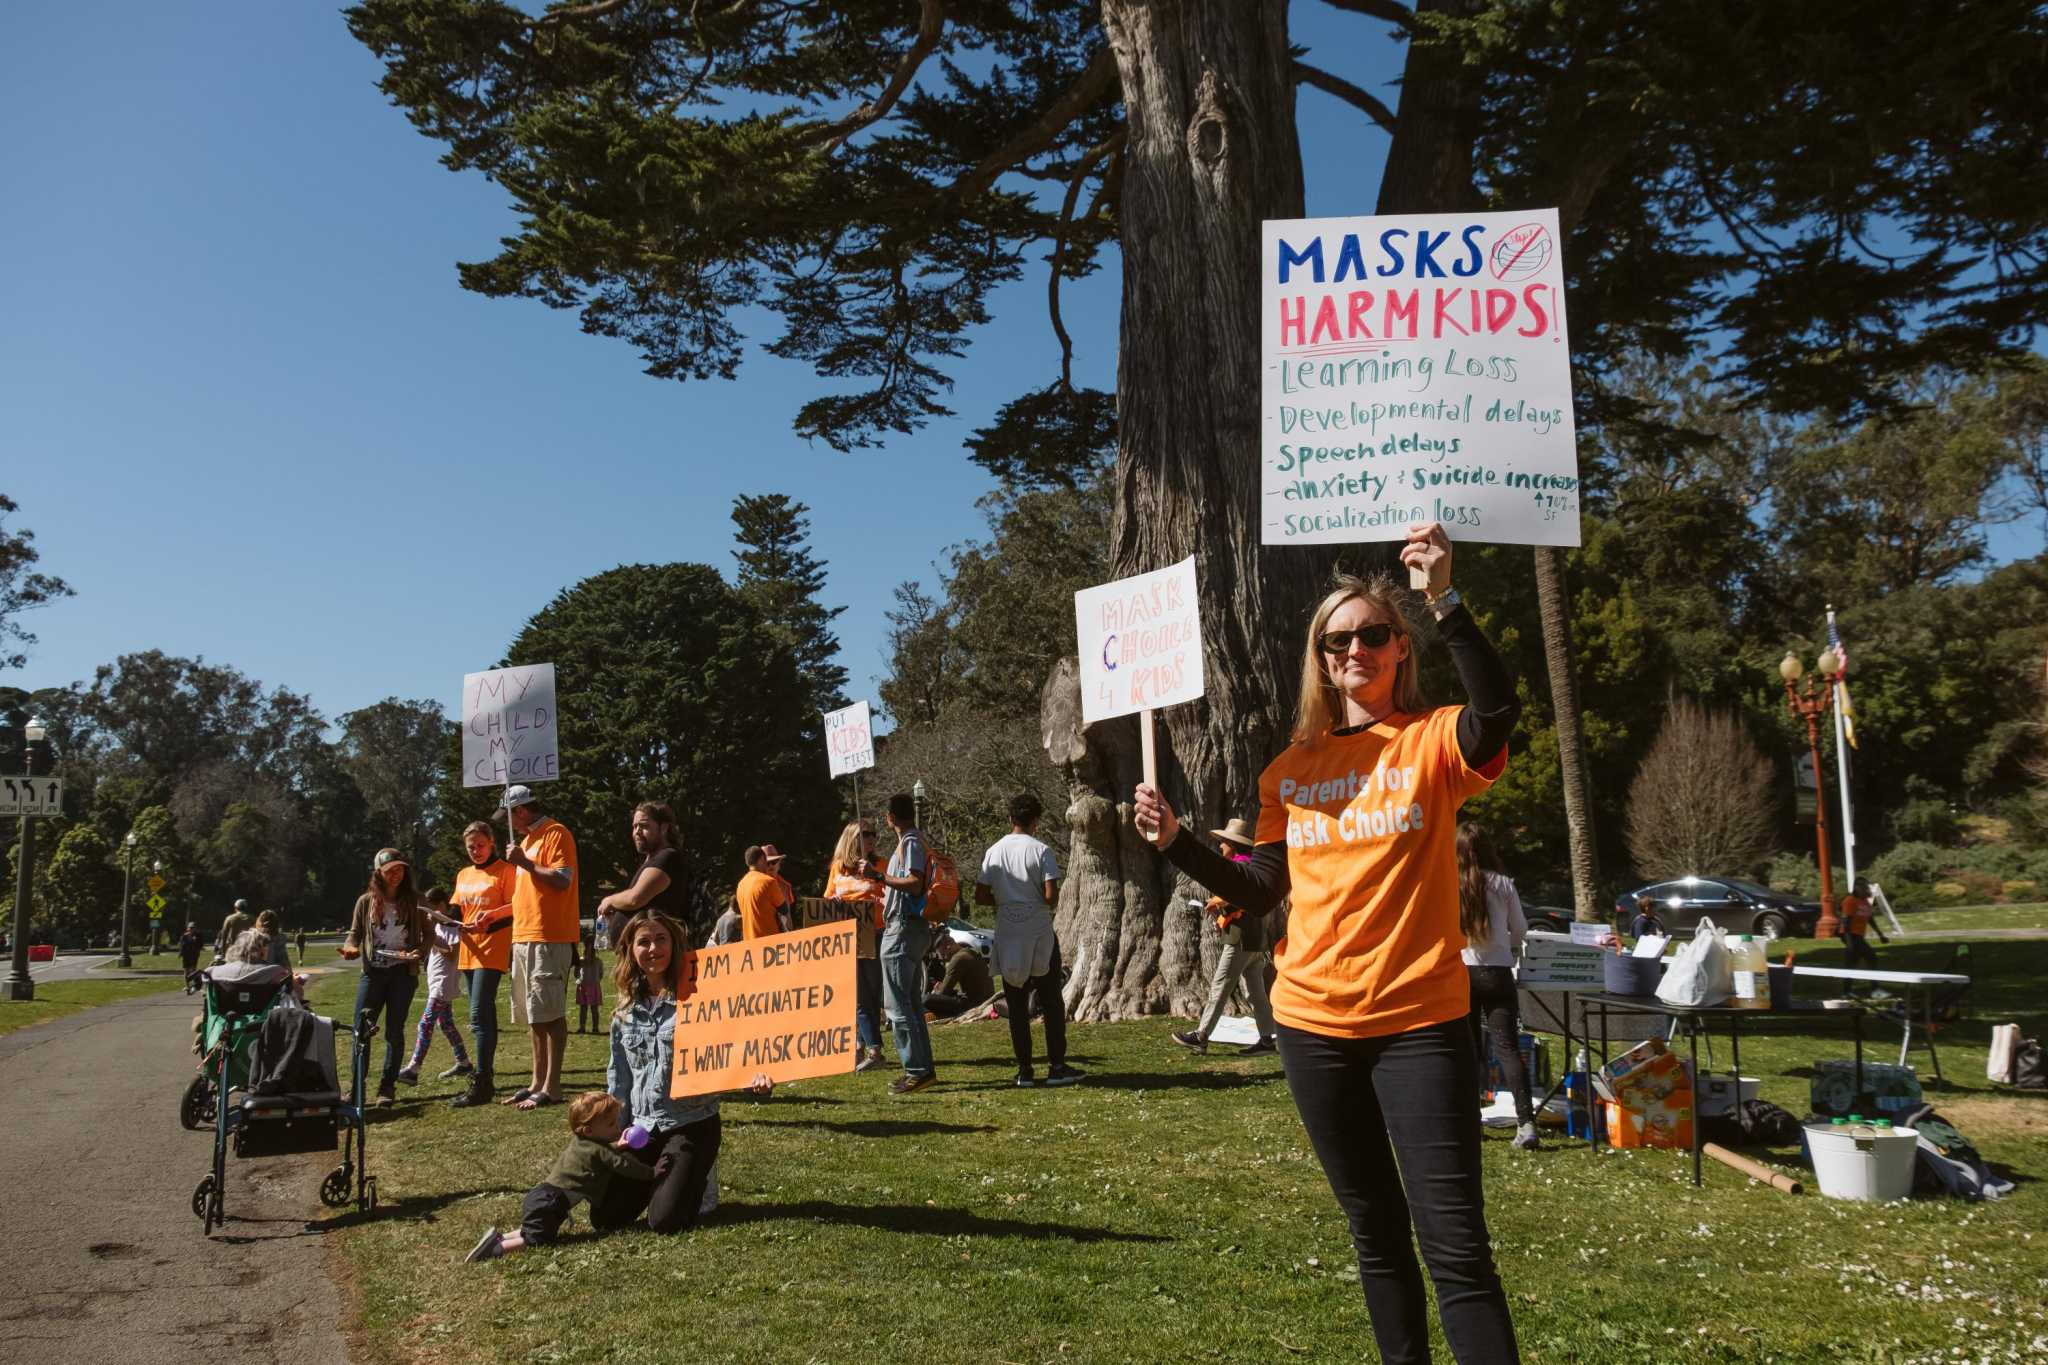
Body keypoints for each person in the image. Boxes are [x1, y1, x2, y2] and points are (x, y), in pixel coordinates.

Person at [1133, 523, 1524, 1364]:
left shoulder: (1434, 741)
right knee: (1376, 1234)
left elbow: (1498, 713)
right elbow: (1262, 885)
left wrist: (1445, 598)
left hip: (1420, 1024)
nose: (1356, 648)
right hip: (1313, 1026)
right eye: (1337, 638)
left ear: (1398, 650)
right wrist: (1178, 845)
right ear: (1319, 657)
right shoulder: (1290, 771)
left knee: (1455, 1249)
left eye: (1373, 634)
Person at [602, 909, 773, 1235]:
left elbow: (734, 1043)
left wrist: (757, 1074)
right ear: (631, 950)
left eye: (660, 939)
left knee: (664, 1220)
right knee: (606, 1217)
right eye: (644, 942)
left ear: (675, 944)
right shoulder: (624, 1013)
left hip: (691, 1122)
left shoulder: (700, 999)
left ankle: (698, 1175)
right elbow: (619, 1079)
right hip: (643, 1127)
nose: (653, 949)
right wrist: (614, 1133)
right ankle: (668, 1176)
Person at [465, 1091, 657, 1262]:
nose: (617, 1128)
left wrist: (618, 1145)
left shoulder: (581, 1142)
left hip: (542, 1195)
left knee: (534, 1229)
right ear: (589, 1131)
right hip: (552, 1202)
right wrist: (652, 1173)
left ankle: (502, 1237)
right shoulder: (600, 1149)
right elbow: (622, 1164)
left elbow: (601, 1154)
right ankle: (496, 1249)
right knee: (537, 1239)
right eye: (611, 1124)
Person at [975, 792, 1082, 1087]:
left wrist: (1006, 898)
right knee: (1050, 1000)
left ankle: (1024, 1069)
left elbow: (981, 894)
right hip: (1037, 928)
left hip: (1008, 929)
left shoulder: (994, 851)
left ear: (1011, 819)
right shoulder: (1041, 850)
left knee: (1016, 1003)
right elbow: (1050, 896)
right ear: (1035, 820)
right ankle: (1057, 1065)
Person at [1458, 822, 1537, 1152]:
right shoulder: (1504, 884)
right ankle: (1526, 1122)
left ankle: (1469, 1122)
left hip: (1461, 972)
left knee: (1467, 1050)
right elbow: (1520, 930)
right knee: (1507, 1047)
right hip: (1499, 972)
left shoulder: (1451, 882)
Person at [1172, 818, 1279, 1057]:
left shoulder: (1240, 867)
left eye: (1223, 843)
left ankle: (1201, 1036)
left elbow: (1233, 892)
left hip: (1240, 939)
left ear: (1234, 845)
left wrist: (1215, 902)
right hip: (1255, 939)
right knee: (1256, 992)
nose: (1220, 847)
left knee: (1220, 986)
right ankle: (1267, 1039)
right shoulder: (1253, 866)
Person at [503, 785, 580, 1112]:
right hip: (525, 936)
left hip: (549, 936)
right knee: (535, 1014)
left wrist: (525, 863)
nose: (507, 822)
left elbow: (563, 879)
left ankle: (553, 1086)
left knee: (551, 1012)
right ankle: (537, 1081)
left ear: (521, 810)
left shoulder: (556, 833)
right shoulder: (526, 841)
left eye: (508, 815)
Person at [338, 849, 432, 1106]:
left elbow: (428, 932)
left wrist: (419, 952)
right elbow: (354, 933)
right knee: (361, 1030)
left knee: (394, 1031)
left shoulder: (415, 899)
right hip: (373, 974)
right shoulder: (366, 901)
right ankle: (357, 1089)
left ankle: (387, 1088)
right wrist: (351, 948)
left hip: (403, 974)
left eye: (400, 869)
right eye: (390, 870)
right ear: (378, 872)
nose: (396, 875)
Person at [449, 821, 517, 1108]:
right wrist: (443, 919)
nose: (475, 851)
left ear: (492, 843)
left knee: (478, 1014)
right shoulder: (464, 874)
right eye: (470, 847)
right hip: (468, 951)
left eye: (480, 845)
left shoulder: (506, 870)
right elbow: (456, 908)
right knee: (480, 1016)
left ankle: (482, 1080)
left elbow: (517, 908)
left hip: (491, 949)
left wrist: (487, 925)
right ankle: (484, 1078)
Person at [876, 793, 938, 1094]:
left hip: (903, 930)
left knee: (898, 1006)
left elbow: (914, 883)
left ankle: (916, 1071)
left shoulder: (911, 842)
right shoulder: (915, 841)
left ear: (890, 817)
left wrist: (880, 878)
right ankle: (923, 1070)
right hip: (910, 929)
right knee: (911, 1005)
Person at [823, 820, 888, 1071]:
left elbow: (889, 894)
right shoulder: (838, 868)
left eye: (873, 834)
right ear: (851, 839)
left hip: (877, 932)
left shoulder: (880, 865)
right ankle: (870, 1049)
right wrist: (834, 899)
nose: (872, 838)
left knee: (872, 992)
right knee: (859, 994)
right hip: (849, 935)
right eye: (865, 834)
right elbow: (827, 897)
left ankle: (864, 1045)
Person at [399, 889, 473, 1087]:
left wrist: (431, 940)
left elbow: (451, 954)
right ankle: (464, 1062)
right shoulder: (437, 925)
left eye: (429, 907)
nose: (427, 912)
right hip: (437, 982)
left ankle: (414, 1068)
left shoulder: (453, 927)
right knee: (446, 1024)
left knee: (426, 1024)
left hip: (444, 983)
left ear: (440, 905)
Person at [596, 802, 693, 946]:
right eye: (635, 826)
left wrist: (609, 901)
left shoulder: (667, 857)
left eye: (644, 826)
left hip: (656, 952)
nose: (637, 831)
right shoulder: (654, 859)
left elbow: (635, 898)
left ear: (664, 828)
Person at [924, 935, 994, 1020]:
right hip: (985, 999)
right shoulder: (969, 952)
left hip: (974, 1004)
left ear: (948, 947)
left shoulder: (958, 958)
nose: (943, 959)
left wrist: (936, 991)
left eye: (942, 954)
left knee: (926, 999)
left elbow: (943, 992)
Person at [736, 846, 788, 942]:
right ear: (761, 860)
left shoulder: (740, 885)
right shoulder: (768, 882)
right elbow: (784, 909)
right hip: (770, 943)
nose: (768, 866)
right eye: (766, 861)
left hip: (749, 944)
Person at [1840, 878, 1888, 973]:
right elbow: (1846, 922)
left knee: (1853, 962)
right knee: (1871, 957)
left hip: (1859, 935)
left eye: (1868, 888)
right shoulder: (1850, 901)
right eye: (1865, 888)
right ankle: (1874, 986)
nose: (1868, 890)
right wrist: (1849, 943)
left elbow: (1870, 919)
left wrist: (1880, 935)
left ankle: (1847, 987)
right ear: (1857, 888)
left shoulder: (1866, 902)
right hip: (1850, 934)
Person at [575, 936, 604, 1034]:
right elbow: (600, 974)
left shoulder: (597, 961)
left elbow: (600, 974)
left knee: (593, 1008)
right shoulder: (582, 960)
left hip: (591, 985)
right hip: (585, 986)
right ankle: (584, 1027)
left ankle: (593, 1028)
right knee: (585, 1008)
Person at [178, 921, 204, 994]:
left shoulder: (198, 935)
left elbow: (201, 945)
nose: (191, 929)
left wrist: (195, 940)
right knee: (186, 971)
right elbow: (181, 945)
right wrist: (180, 953)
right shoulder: (184, 936)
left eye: (193, 928)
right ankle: (187, 986)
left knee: (193, 970)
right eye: (190, 928)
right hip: (186, 956)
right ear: (187, 928)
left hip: (194, 955)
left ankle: (196, 985)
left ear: (195, 929)